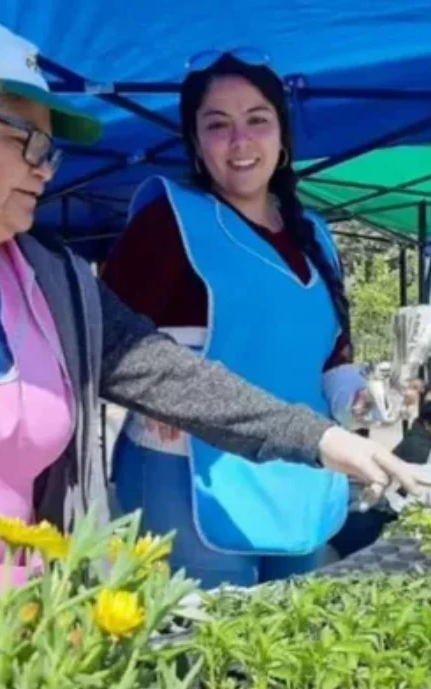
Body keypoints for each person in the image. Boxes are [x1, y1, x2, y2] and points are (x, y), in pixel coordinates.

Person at [0, 18, 424, 587]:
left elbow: (170, 374)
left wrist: (323, 439)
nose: (46, 169)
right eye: (30, 141)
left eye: (52, 150)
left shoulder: (51, 280)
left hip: (20, 638)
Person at [98, 50, 390, 587]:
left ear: (282, 136)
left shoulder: (315, 235)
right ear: (195, 141)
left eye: (258, 121)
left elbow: (329, 351)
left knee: (289, 650)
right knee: (206, 654)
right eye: (217, 125)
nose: (240, 142)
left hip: (301, 475)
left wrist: (352, 387)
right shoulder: (168, 222)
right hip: (190, 478)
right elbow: (105, 344)